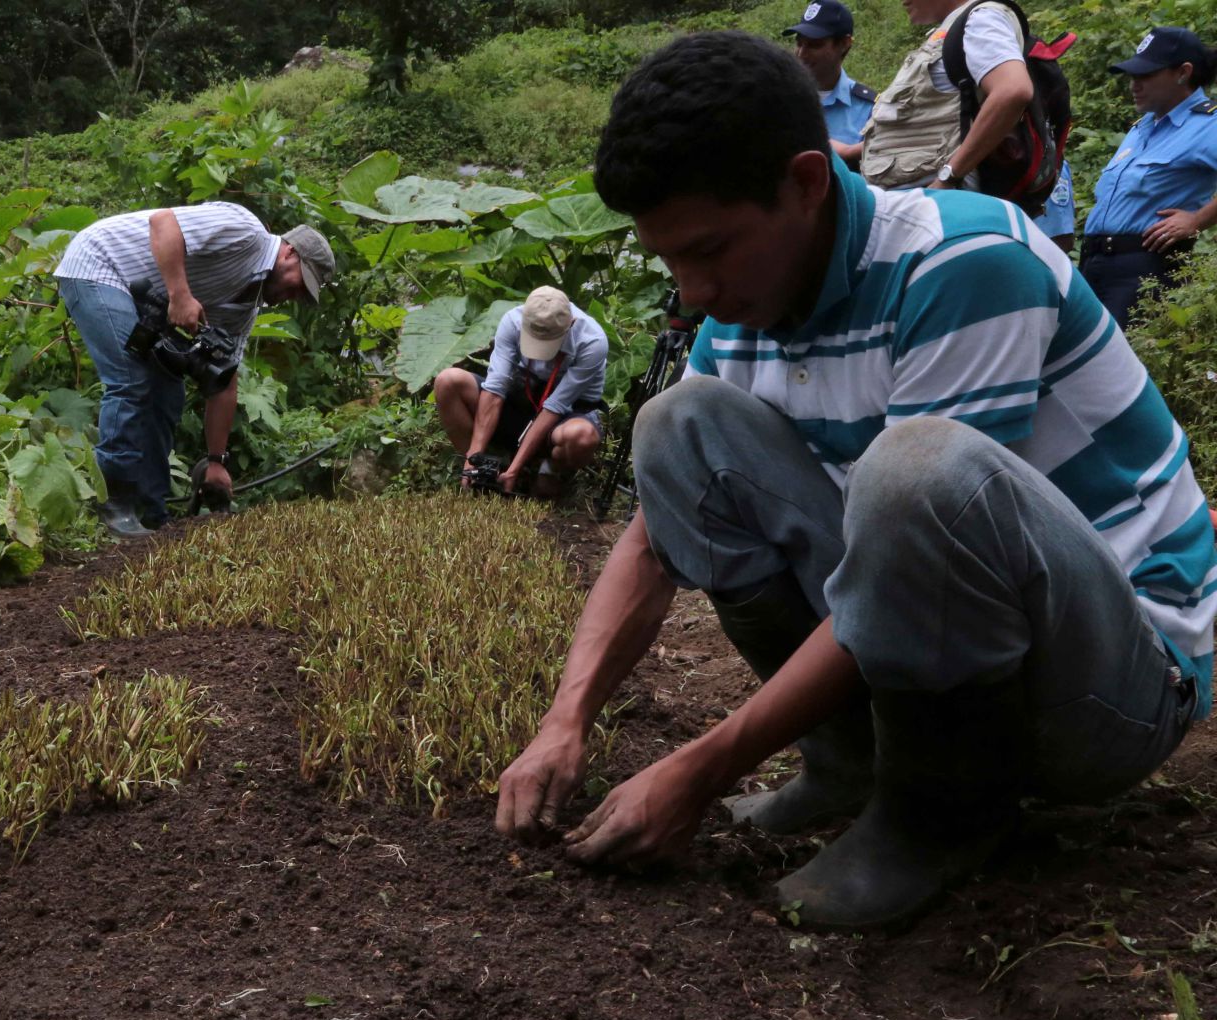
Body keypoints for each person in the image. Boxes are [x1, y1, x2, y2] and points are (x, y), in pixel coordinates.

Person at [495, 33, 1214, 932]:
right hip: (962, 630)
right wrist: (567, 719)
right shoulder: (746, 315)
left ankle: (938, 811)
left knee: (917, 465)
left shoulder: (965, 263)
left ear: (804, 182)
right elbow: (654, 537)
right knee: (680, 425)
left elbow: (923, 533)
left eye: (711, 250)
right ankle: (849, 763)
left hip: (1114, 685)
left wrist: (702, 766)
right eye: (671, 260)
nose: (696, 291)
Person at [54, 204, 336, 538]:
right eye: (298, 284)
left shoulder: (245, 307)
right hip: (99, 264)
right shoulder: (246, 230)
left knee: (167, 391)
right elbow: (163, 223)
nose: (293, 296)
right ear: (290, 253)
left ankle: (151, 511)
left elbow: (224, 380)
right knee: (132, 379)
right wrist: (181, 295)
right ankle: (115, 505)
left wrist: (216, 461)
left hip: (141, 298)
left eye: (302, 295)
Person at [1080, 27, 1217, 327]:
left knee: (1119, 368)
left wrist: (1197, 220)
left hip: (1144, 269)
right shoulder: (1142, 126)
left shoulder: (1208, 125)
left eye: (1146, 76)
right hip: (1094, 264)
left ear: (1183, 72)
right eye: (1132, 76)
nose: (1134, 85)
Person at [433, 286, 609, 500]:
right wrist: (474, 455)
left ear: (570, 324)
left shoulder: (592, 341)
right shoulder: (512, 320)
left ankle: (548, 470)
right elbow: (495, 390)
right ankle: (484, 468)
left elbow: (555, 406)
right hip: (519, 403)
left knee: (582, 437)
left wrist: (516, 469)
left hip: (564, 416)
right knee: (447, 381)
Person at [859, 0, 1034, 193]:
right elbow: (937, 123)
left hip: (939, 203)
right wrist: (851, 151)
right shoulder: (956, 27)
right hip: (919, 198)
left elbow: (1013, 90)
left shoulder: (981, 19)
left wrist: (948, 177)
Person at [785, 0, 876, 163]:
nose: (801, 53)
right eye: (799, 43)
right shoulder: (779, 99)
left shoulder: (870, 109)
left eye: (814, 45)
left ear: (844, 44)